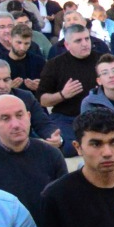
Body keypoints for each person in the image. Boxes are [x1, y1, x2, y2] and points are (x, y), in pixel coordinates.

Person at [0, 92, 67, 227]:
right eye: (5, 118)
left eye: (19, 115)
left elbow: (64, 201)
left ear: (29, 117)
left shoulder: (51, 154)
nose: (16, 124)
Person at [35, 23, 101, 152]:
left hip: (98, 116)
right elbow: (43, 100)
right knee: (68, 147)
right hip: (67, 118)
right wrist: (62, 95)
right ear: (67, 45)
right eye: (78, 41)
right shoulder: (54, 65)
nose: (85, 44)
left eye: (87, 39)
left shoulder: (102, 60)